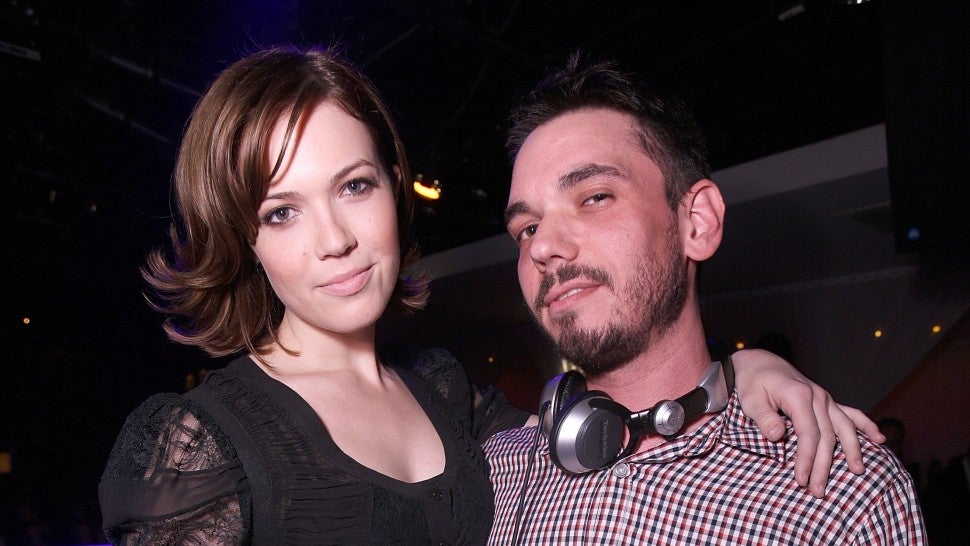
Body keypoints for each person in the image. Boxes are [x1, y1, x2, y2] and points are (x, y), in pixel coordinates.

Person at [99, 46, 883, 544]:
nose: (333, 238)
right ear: (245, 239)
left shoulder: (452, 401)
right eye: (281, 211)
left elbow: (627, 406)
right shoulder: (200, 442)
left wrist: (744, 373)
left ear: (394, 189)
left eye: (354, 186)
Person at [485, 54, 925, 544]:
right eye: (527, 228)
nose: (543, 247)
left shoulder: (843, 494)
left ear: (697, 223)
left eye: (595, 197)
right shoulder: (489, 475)